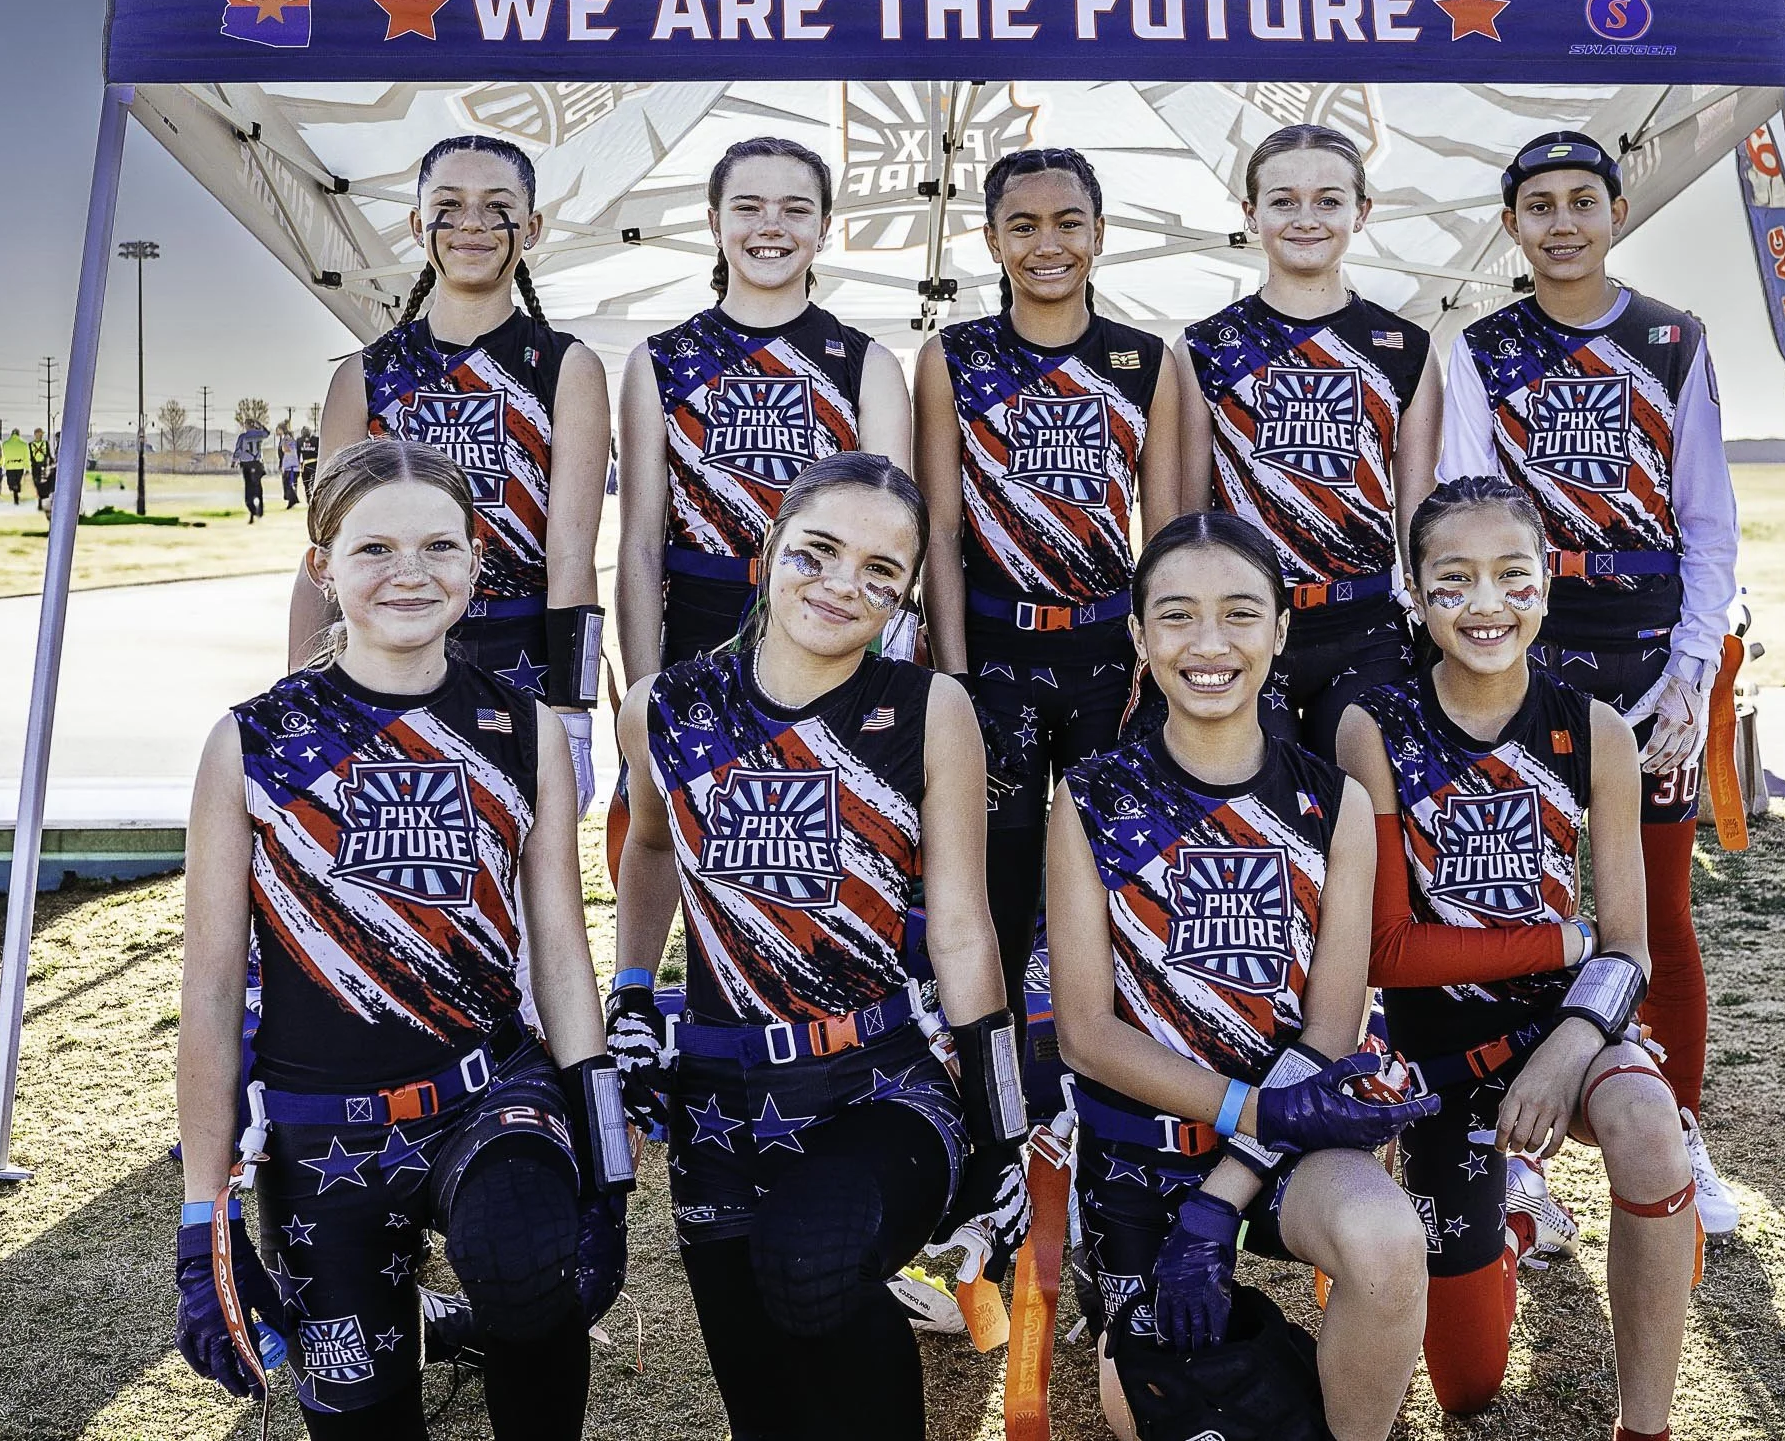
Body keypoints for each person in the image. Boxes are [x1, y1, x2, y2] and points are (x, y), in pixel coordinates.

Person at [173, 438, 631, 1438]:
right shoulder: (251, 741)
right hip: (318, 1133)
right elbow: (209, 989)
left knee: (523, 1260)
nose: (410, 573)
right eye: (373, 548)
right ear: (321, 567)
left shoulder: (522, 725)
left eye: (439, 546)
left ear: (477, 561)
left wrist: (603, 1152)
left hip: (485, 1094)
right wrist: (202, 1211)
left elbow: (557, 949)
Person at [609, 452, 1029, 1441]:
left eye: (881, 570)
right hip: (719, 1099)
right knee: (765, 1405)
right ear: (766, 552)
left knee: (810, 1261)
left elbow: (964, 924)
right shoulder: (662, 709)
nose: (844, 582)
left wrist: (1003, 1131)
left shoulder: (930, 711)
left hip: (880, 1085)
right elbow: (648, 845)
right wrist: (632, 998)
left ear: (904, 597)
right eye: (819, 551)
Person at [1047, 512, 1435, 1441]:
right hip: (1141, 1146)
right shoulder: (1091, 797)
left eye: (1240, 613)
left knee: (1387, 1243)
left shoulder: (1330, 801)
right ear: (1140, 635)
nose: (1210, 643)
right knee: (1163, 1412)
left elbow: (1331, 1031)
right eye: (1176, 616)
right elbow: (1088, 1034)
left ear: (1280, 631)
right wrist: (1246, 1115)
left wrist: (1224, 1193)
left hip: (1289, 1144)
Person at [1337, 477, 1698, 1436]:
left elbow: (1626, 946)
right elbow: (1382, 950)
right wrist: (1558, 937)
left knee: (1650, 1123)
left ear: (1545, 583)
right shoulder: (1374, 727)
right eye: (1453, 580)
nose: (1486, 603)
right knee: (1465, 1390)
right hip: (1440, 1061)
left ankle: (1646, 1424)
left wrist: (1568, 1043)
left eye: (1512, 575)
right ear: (1414, 593)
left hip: (1562, 1033)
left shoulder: (1596, 730)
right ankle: (1508, 1227)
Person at [1437, 131, 1740, 1235]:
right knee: (1512, 903)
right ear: (1510, 224)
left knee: (1653, 908)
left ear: (1615, 210)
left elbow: (1708, 520)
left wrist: (1690, 673)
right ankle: (1513, 1154)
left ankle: (1677, 1121)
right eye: (1537, 205)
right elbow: (1462, 511)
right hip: (1529, 653)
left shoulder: (1670, 338)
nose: (1561, 222)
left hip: (1649, 649)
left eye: (1580, 200)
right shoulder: (1480, 347)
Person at [915, 146, 1184, 1019]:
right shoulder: (953, 357)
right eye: (1023, 225)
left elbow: (1171, 537)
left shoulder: (1147, 361)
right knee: (1000, 872)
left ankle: (1105, 1065)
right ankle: (995, 1080)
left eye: (1068, 221)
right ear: (992, 241)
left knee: (1113, 867)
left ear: (1100, 234)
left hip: (1109, 656)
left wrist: (1164, 668)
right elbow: (942, 532)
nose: (1048, 243)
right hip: (995, 649)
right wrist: (954, 677)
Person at [292, 134, 612, 816]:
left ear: (531, 227)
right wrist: (299, 694)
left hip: (519, 655)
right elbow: (321, 556)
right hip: (384, 648)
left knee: (520, 887)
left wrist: (575, 711)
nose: (472, 223)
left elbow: (573, 557)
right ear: (416, 224)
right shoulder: (365, 374)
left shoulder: (565, 366)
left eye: (496, 207)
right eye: (449, 205)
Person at [1176, 123, 1440, 755]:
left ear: (1361, 212)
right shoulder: (1204, 348)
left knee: (1365, 816)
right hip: (1248, 624)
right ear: (1251, 212)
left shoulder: (1405, 347)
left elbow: (1418, 512)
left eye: (1328, 200)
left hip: (1366, 624)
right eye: (1283, 200)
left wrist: (1432, 622)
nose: (1306, 218)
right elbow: (1188, 518)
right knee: (1268, 826)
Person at [617, 135, 911, 684]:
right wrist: (642, 690)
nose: (770, 227)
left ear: (824, 229)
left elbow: (893, 539)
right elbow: (638, 544)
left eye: (795, 210)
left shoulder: (867, 363)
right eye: (748, 208)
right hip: (698, 623)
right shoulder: (659, 361)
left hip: (829, 621)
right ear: (714, 222)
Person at [233, 416, 269, 522]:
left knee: (249, 488)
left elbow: (238, 450)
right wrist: (260, 425)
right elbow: (267, 433)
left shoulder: (243, 437)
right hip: (258, 464)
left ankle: (252, 510)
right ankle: (260, 511)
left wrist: (234, 460)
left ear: (247, 426)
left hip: (247, 465)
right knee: (258, 488)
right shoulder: (259, 435)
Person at [30, 427, 56, 513]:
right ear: (36, 434)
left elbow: (48, 454)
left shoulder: (43, 443)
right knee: (40, 485)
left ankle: (41, 503)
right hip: (38, 468)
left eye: (41, 434)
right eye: (40, 434)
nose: (41, 436)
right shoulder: (31, 445)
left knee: (42, 486)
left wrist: (52, 461)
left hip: (40, 468)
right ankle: (41, 502)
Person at [278, 422, 303, 509]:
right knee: (290, 485)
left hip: (291, 466)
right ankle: (292, 501)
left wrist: (282, 446)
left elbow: (286, 449)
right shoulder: (290, 438)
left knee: (288, 485)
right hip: (292, 466)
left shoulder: (286, 439)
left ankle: (293, 500)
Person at [298, 422, 321, 499]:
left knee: (313, 483)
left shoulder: (316, 440)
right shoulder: (300, 441)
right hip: (307, 465)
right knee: (307, 483)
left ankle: (314, 498)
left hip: (313, 464)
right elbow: (298, 453)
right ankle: (309, 499)